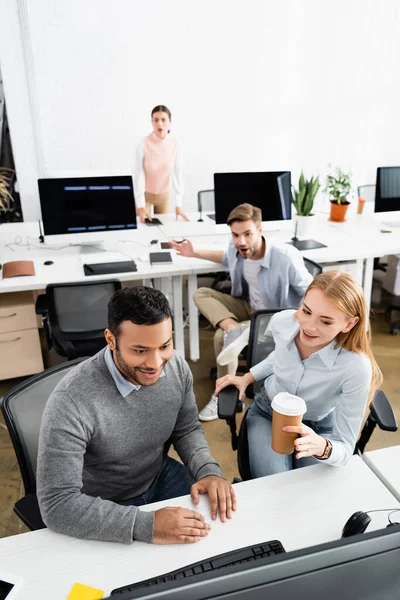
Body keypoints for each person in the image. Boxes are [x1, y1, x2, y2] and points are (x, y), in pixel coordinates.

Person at [37, 287, 235, 545]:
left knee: (220, 538)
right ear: (111, 340)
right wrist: (146, 525)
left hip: (158, 476)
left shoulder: (175, 366)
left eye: (164, 345)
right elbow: (57, 504)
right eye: (140, 351)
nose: (155, 363)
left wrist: (207, 470)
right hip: (105, 502)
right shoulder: (71, 401)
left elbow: (185, 429)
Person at [215, 270, 383, 477]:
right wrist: (247, 377)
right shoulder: (282, 322)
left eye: (326, 321)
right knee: (274, 483)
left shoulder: (356, 367)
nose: (309, 326)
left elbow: (345, 447)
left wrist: (323, 447)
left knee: (306, 491)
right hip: (268, 413)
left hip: (318, 427)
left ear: (349, 324)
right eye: (306, 311)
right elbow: (279, 357)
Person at [170, 203, 312, 421]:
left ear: (260, 230)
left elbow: (310, 293)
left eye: (247, 234)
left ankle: (228, 395)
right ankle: (234, 327)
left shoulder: (285, 257)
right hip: (248, 307)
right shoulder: (238, 250)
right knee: (202, 294)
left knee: (220, 338)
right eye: (236, 235)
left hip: (272, 317)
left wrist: (296, 323)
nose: (241, 241)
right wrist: (193, 252)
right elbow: (224, 257)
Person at [134, 104, 189, 223]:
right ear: (152, 122)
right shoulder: (142, 144)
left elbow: (177, 173)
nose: (160, 124)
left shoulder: (176, 144)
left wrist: (178, 204)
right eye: (156, 120)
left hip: (164, 196)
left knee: (164, 232)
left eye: (163, 120)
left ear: (170, 122)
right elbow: (138, 175)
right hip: (145, 195)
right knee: (143, 229)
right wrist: (140, 205)